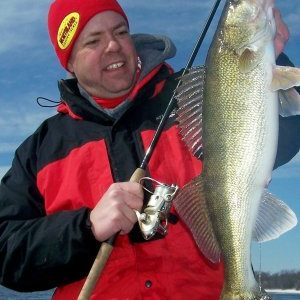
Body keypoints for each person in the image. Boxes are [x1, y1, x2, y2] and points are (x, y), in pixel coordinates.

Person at [0, 0, 299, 299]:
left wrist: (271, 61)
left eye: (120, 32)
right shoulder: (40, 150)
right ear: (70, 61)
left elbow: (279, 136)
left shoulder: (192, 97)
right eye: (93, 41)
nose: (113, 46)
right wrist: (86, 227)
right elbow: (6, 253)